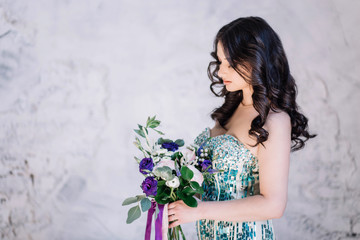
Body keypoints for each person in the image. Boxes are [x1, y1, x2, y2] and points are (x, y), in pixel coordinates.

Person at [166, 16, 317, 239]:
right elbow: (211, 186)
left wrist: (200, 211)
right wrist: (170, 185)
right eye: (219, 62)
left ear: (256, 60)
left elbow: (273, 205)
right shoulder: (231, 108)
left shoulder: (274, 119)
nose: (220, 72)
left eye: (230, 64)